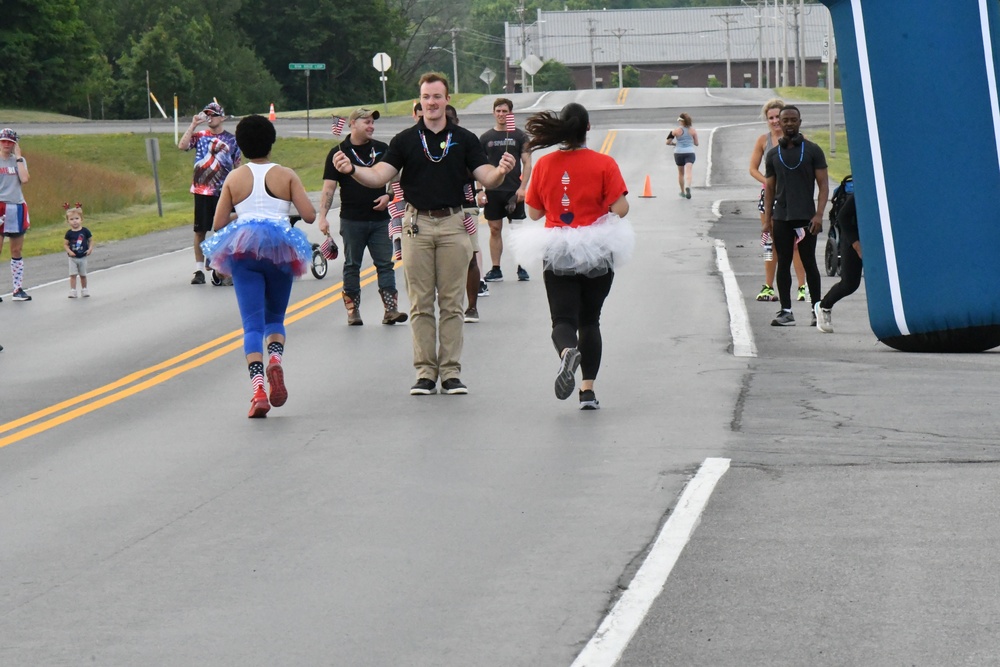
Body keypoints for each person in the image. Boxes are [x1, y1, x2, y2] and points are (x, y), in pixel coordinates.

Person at [332, 72, 515, 396]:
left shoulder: (464, 138)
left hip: (453, 224)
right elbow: (378, 176)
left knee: (451, 303)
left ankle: (451, 373)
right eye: (426, 98)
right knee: (420, 303)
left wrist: (500, 172)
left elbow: (486, 175)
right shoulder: (404, 141)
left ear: (447, 100)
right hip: (416, 225)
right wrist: (352, 170)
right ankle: (425, 373)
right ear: (420, 102)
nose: (432, 103)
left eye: (437, 97)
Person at [515, 103, 633, 410]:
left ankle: (567, 351)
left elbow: (534, 211)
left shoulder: (543, 164)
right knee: (590, 321)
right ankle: (587, 391)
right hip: (597, 248)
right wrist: (600, 208)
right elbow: (621, 209)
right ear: (588, 128)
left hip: (559, 250)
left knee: (563, 319)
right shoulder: (604, 163)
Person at [201, 115, 316, 418]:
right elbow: (309, 215)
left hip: (244, 251)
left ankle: (258, 390)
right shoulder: (287, 175)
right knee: (275, 318)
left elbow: (218, 223)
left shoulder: (234, 178)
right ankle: (275, 360)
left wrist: (246, 217)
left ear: (239, 145)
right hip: (281, 248)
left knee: (252, 324)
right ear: (272, 141)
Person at [319, 107, 406, 326]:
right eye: (366, 122)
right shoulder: (338, 152)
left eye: (372, 122)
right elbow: (329, 188)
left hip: (380, 219)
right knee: (352, 265)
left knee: (385, 264)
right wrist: (323, 217)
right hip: (352, 219)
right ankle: (353, 310)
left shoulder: (383, 149)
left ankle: (391, 309)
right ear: (353, 124)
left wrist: (388, 196)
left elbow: (396, 180)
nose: (371, 126)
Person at [763, 105, 829, 327]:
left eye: (793, 120)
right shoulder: (773, 154)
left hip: (806, 218)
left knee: (810, 263)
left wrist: (819, 215)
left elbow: (823, 185)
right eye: (785, 120)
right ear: (779, 123)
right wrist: (767, 220)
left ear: (800, 122)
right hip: (782, 217)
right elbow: (770, 189)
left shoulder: (812, 151)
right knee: (783, 264)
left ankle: (816, 310)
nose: (789, 123)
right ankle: (786, 311)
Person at [749, 99, 808, 303]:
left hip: (793, 198)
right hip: (770, 198)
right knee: (769, 243)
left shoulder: (799, 140)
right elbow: (752, 169)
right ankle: (768, 286)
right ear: (767, 120)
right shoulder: (763, 141)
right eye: (771, 118)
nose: (775, 121)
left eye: (778, 117)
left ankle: (802, 286)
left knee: (796, 243)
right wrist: (769, 182)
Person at [178, 101, 241, 285]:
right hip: (202, 190)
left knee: (223, 228)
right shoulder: (200, 136)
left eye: (213, 114)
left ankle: (222, 266)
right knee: (200, 230)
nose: (209, 117)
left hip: (224, 192)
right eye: (207, 114)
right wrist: (193, 124)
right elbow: (182, 146)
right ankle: (199, 270)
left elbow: (238, 165)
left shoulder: (231, 140)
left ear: (222, 117)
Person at [478, 98, 533, 283]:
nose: (501, 114)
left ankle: (521, 266)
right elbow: (478, 166)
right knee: (495, 229)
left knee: (517, 230)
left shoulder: (519, 136)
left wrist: (523, 188)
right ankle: (496, 269)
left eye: (505, 111)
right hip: (493, 191)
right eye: (498, 111)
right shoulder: (486, 138)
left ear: (510, 114)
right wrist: (480, 191)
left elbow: (527, 163)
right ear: (494, 113)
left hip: (514, 191)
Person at [445, 104, 484, 324]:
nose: (447, 121)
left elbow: (478, 168)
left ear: (457, 120)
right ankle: (449, 305)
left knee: (470, 256)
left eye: (450, 118)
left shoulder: (466, 140)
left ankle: (472, 306)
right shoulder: (427, 142)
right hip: (437, 209)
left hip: (465, 206)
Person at [815, 192, 861, 333]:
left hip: (876, 238)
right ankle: (824, 306)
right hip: (853, 238)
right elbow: (842, 217)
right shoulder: (862, 192)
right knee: (850, 284)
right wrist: (856, 244)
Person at [0, 128, 32, 301]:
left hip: (17, 206)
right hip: (0, 205)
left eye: (10, 141)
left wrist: (18, 157)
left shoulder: (18, 161)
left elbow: (25, 179)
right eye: (3, 141)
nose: (6, 144)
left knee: (16, 249)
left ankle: (17, 289)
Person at [63, 203, 93, 298]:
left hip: (83, 256)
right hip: (73, 258)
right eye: (71, 219)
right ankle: (73, 290)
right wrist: (69, 251)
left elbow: (91, 240)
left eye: (76, 218)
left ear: (81, 219)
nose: (74, 221)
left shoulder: (85, 231)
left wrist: (90, 249)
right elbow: (65, 244)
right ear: (68, 221)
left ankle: (84, 289)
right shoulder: (69, 233)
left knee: (83, 274)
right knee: (73, 275)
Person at [666, 112, 698, 199]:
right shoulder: (693, 130)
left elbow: (667, 142)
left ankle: (682, 191)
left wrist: (674, 144)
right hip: (689, 152)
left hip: (678, 153)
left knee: (681, 173)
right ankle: (688, 186)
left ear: (681, 121)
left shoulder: (675, 131)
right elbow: (696, 143)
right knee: (689, 172)